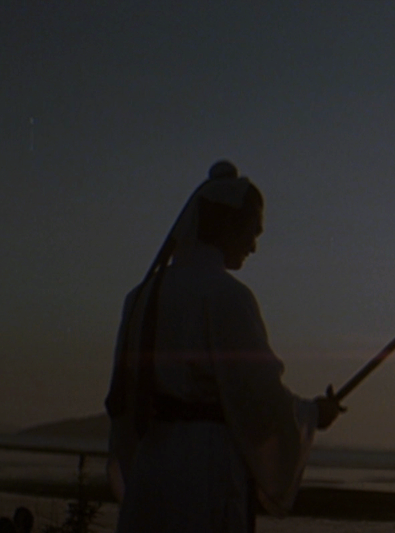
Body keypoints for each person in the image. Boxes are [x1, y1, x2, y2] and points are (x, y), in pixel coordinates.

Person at [105, 161, 342, 532]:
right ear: (228, 224)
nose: (254, 246)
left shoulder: (140, 297)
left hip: (152, 466)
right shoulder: (228, 296)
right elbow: (258, 395)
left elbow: (123, 399)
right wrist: (312, 415)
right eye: (252, 230)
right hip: (205, 468)